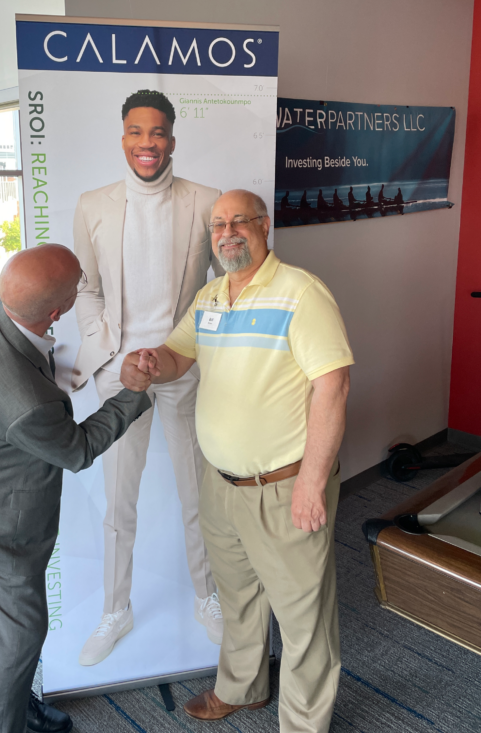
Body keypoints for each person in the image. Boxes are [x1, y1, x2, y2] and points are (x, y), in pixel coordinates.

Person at [121, 190, 353, 733]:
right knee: (239, 597)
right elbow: (178, 356)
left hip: (285, 485)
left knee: (303, 617)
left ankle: (303, 725)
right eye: (218, 224)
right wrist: (148, 365)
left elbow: (334, 387)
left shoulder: (301, 293)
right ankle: (243, 688)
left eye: (239, 221)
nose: (227, 232)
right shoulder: (210, 297)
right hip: (221, 484)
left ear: (264, 226)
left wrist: (312, 482)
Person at [0, 244, 151, 733]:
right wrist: (132, 392)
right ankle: (6, 719)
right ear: (56, 313)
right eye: (78, 284)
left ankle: (19, 706)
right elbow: (77, 449)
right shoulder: (26, 402)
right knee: (21, 635)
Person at [72, 89, 224, 666]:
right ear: (123, 139)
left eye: (157, 132)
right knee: (119, 502)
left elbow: (221, 290)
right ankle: (117, 609)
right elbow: (87, 289)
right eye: (136, 132)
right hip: (121, 374)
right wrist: (111, 351)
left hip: (182, 366)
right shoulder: (93, 205)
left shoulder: (206, 201)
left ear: (172, 140)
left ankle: (207, 597)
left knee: (196, 491)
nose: (147, 143)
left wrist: (186, 349)